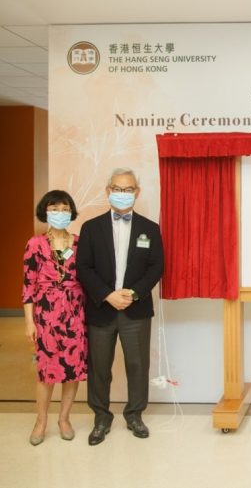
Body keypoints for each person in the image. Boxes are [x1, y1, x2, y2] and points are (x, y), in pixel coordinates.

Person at [76, 168, 164, 445]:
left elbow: (156, 266)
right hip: (101, 309)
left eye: (128, 189)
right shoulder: (91, 227)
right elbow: (83, 268)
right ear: (107, 191)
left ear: (137, 193)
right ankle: (101, 418)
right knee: (99, 367)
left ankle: (134, 415)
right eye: (117, 188)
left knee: (137, 365)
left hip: (135, 309)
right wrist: (107, 295)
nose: (122, 194)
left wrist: (134, 293)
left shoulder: (150, 228)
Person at [22, 190, 87, 446]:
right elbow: (28, 286)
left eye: (64, 208)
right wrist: (29, 322)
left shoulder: (80, 242)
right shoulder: (35, 244)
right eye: (54, 208)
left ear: (71, 211)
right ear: (45, 211)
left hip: (76, 313)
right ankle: (41, 421)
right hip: (46, 314)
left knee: (72, 369)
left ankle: (64, 418)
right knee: (46, 371)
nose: (59, 213)